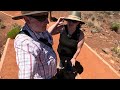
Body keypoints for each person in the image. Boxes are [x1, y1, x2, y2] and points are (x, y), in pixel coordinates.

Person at [12, 11, 57, 79]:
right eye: (41, 18)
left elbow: (45, 39)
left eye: (46, 16)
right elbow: (26, 76)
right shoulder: (25, 43)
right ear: (27, 19)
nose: (47, 21)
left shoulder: (41, 31)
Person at [48, 11, 85, 79]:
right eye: (69, 20)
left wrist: (74, 58)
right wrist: (57, 23)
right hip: (61, 54)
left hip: (71, 57)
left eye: (74, 21)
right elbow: (48, 33)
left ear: (78, 23)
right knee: (61, 68)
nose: (71, 23)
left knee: (68, 72)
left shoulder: (80, 34)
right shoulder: (62, 28)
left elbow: (79, 48)